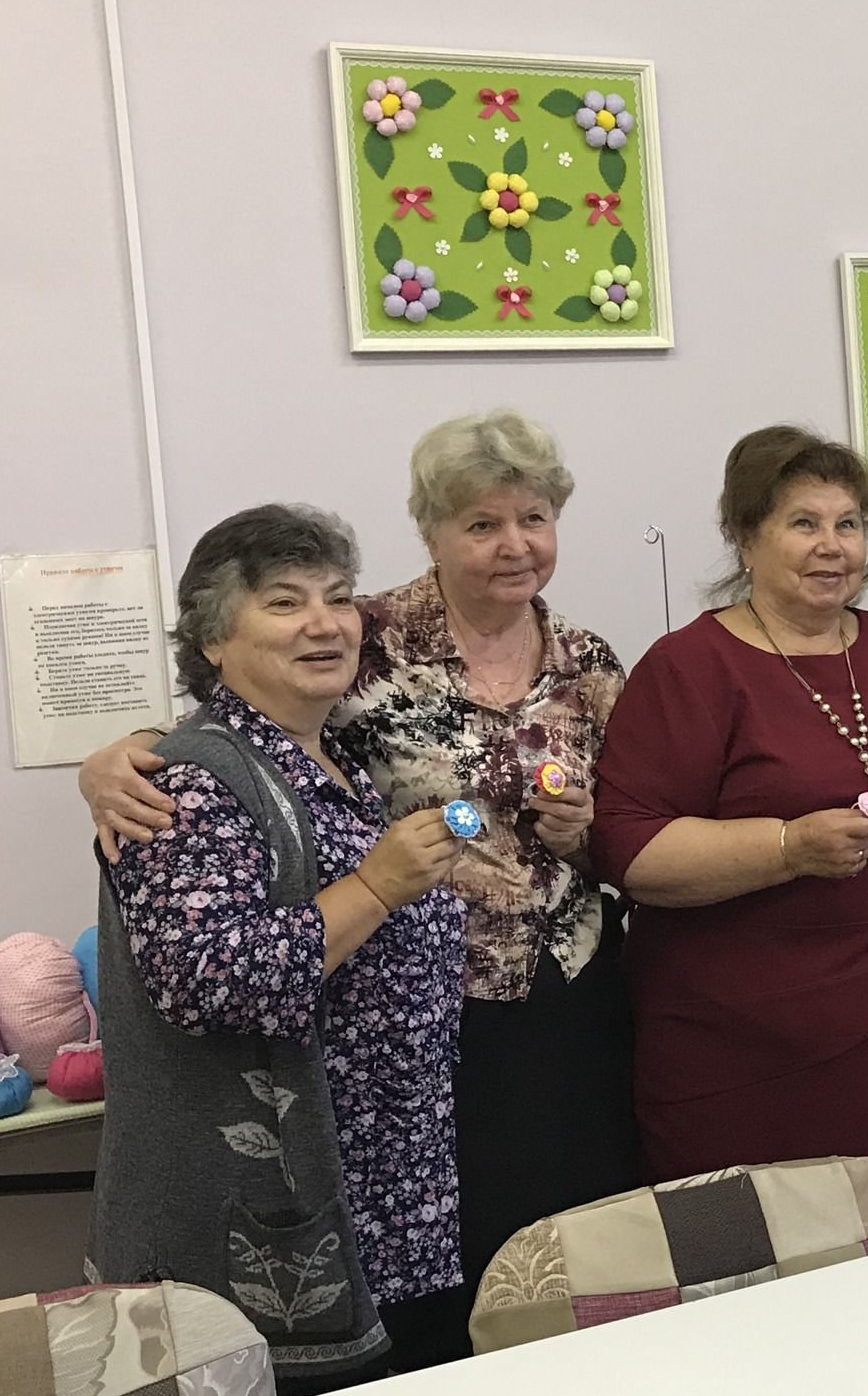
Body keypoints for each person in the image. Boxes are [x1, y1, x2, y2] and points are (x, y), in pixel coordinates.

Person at [80, 410, 640, 1345]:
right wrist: (119, 756)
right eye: (482, 523)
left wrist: (587, 837)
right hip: (435, 1034)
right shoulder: (363, 643)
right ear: (432, 532)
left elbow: (629, 829)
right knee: (455, 1299)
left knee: (568, 1263)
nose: (514, 544)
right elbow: (227, 733)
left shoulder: (589, 661)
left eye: (534, 518)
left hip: (562, 1001)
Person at [90, 505, 469, 1383]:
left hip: (386, 1197)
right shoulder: (190, 781)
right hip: (287, 1218)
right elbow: (210, 978)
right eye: (285, 602)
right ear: (214, 639)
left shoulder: (326, 754)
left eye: (338, 596)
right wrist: (376, 885)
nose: (325, 622)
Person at [587, 428, 868, 1223]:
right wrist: (787, 847)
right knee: (751, 1256)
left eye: (849, 523)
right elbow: (627, 846)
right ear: (746, 538)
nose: (832, 545)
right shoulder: (690, 665)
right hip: (736, 1041)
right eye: (803, 523)